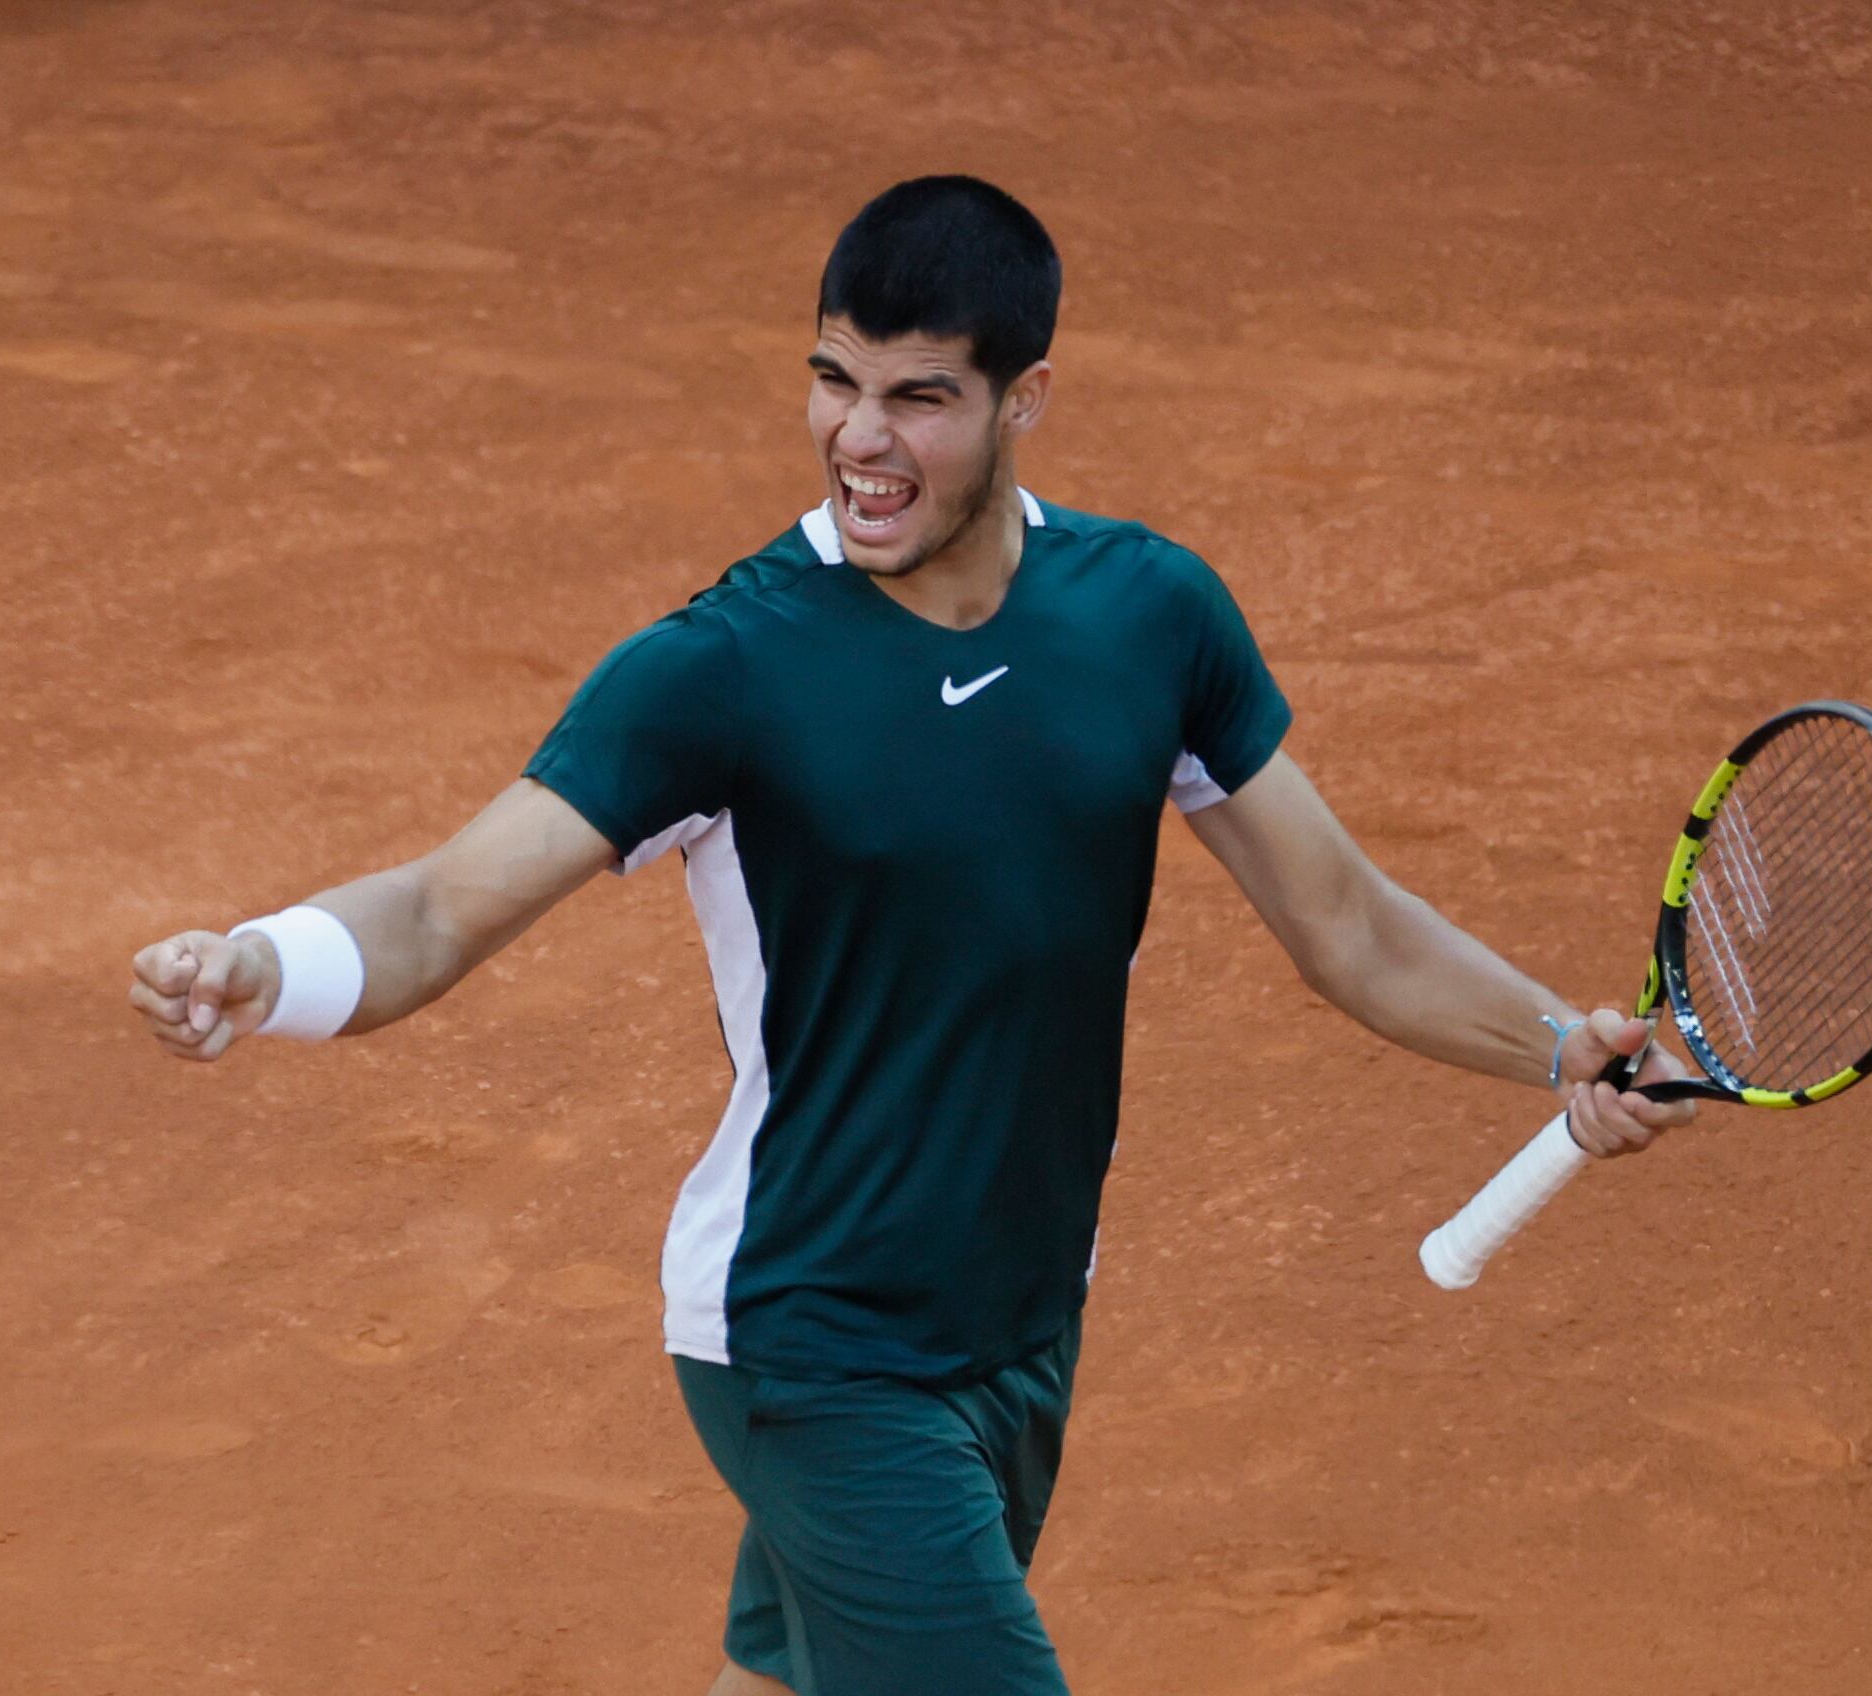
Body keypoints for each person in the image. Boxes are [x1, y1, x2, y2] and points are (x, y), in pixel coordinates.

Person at [126, 175, 1694, 1696]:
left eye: (920, 399)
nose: (858, 442)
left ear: (1028, 401)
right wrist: (263, 965)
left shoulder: (1150, 617)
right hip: (811, 1337)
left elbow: (1348, 923)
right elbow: (439, 906)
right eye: (833, 381)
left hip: (1020, 1320)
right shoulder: (727, 667)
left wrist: (1557, 1040)